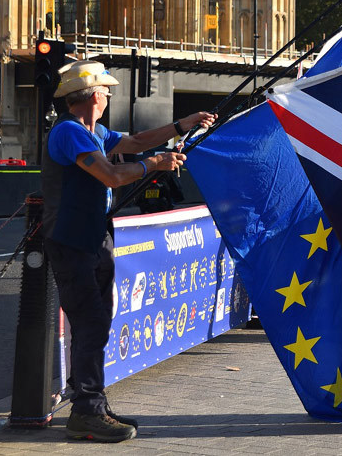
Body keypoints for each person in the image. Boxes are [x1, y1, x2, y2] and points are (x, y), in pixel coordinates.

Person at [42, 59, 215, 442]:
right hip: (71, 241)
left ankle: (92, 404)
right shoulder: (69, 133)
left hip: (93, 238)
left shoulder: (94, 131)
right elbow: (112, 175)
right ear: (92, 96)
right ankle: (85, 411)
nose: (107, 95)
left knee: (98, 322)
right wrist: (155, 164)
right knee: (88, 323)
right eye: (104, 90)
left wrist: (181, 126)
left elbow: (135, 142)